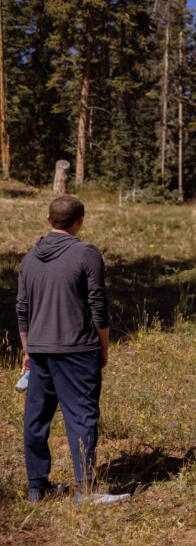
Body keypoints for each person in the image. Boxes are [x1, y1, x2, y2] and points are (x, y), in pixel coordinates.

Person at [16, 195, 129, 506]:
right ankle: (86, 491)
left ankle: (36, 487)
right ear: (80, 220)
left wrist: (27, 350)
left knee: (36, 419)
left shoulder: (29, 258)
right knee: (81, 417)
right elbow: (98, 305)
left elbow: (22, 309)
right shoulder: (86, 254)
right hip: (77, 349)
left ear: (49, 220)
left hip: (39, 349)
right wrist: (104, 345)